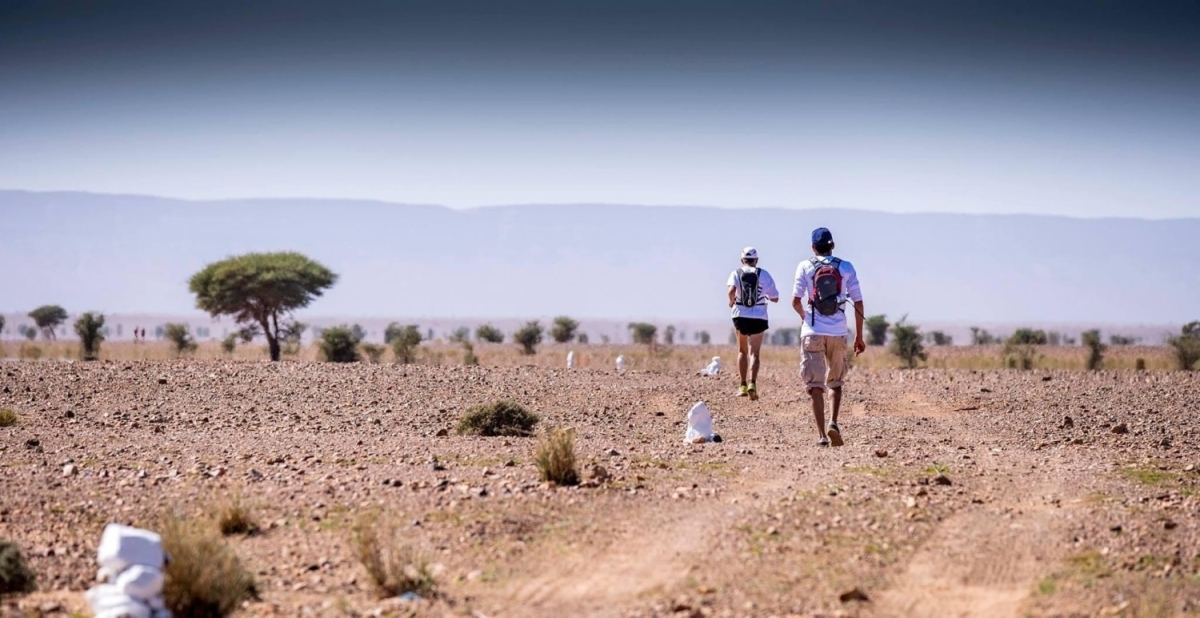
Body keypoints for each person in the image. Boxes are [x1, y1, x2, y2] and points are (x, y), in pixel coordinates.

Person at [791, 228, 865, 446]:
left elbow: (795, 301)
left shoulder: (805, 266)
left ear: (813, 248)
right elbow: (858, 303)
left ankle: (822, 435)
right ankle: (834, 421)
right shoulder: (846, 267)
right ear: (832, 246)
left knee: (815, 385)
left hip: (812, 331)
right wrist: (859, 337)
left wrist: (807, 319)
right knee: (835, 382)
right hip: (838, 331)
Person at [727, 247, 779, 400]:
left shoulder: (736, 273)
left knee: (742, 351)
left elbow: (731, 291)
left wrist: (731, 302)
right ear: (756, 260)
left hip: (740, 316)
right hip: (759, 317)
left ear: (742, 260)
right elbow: (775, 297)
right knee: (754, 353)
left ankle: (742, 385)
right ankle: (752, 384)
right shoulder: (764, 275)